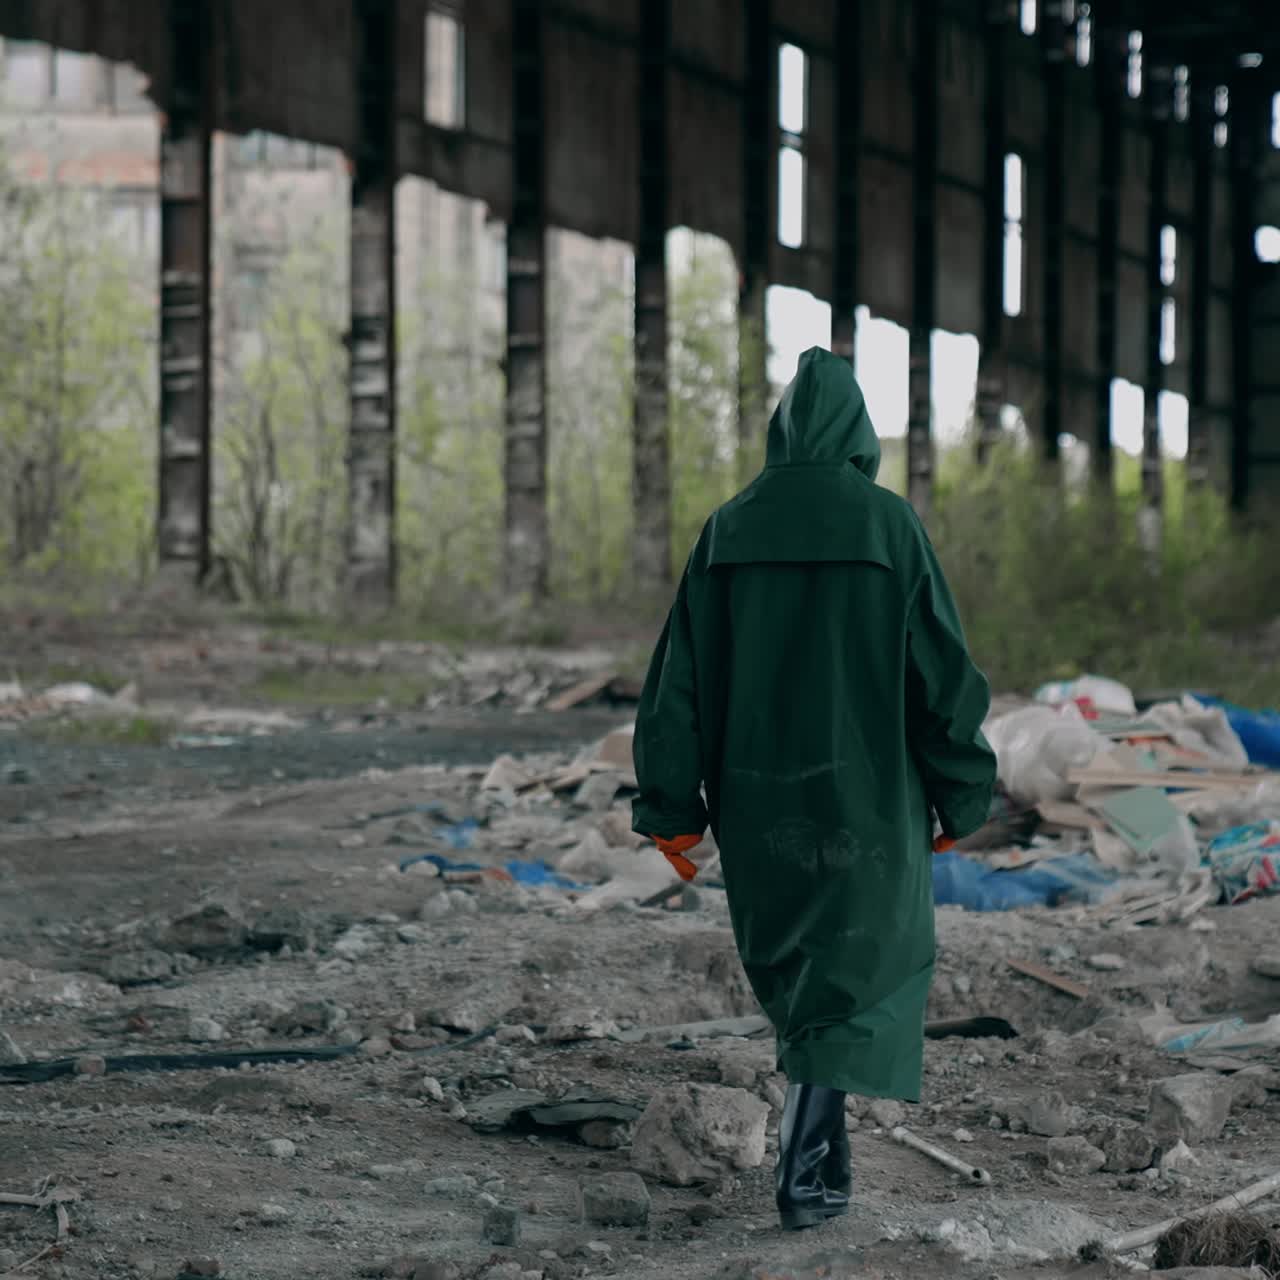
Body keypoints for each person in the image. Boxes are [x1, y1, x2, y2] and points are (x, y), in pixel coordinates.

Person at [630, 346, 997, 1231]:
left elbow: (676, 683)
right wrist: (963, 792)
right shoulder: (888, 527)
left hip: (760, 801)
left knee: (798, 964)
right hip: (871, 796)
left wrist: (672, 808)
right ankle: (810, 1155)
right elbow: (940, 673)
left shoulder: (727, 528)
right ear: (858, 434)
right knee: (872, 962)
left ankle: (813, 1146)